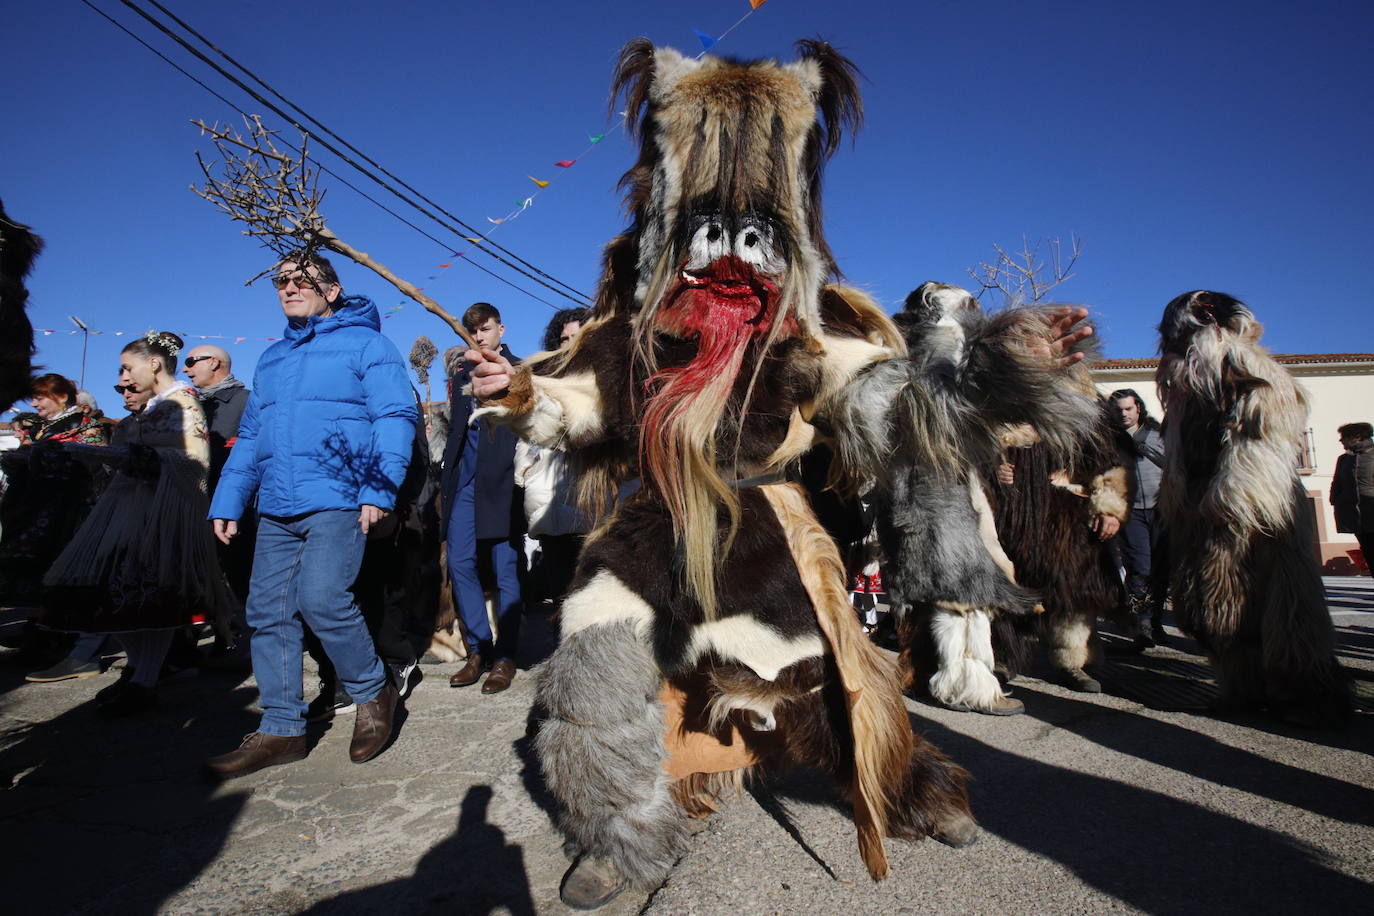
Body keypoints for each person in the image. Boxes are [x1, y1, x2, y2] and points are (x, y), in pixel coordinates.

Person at [204, 250, 417, 779]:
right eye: (280, 281)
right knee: (267, 614)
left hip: (340, 495)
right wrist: (229, 498)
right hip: (277, 504)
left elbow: (394, 416)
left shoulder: (370, 344)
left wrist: (380, 487)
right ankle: (281, 729)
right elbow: (252, 435)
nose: (288, 287)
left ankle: (374, 693)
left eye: (302, 280)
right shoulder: (272, 358)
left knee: (322, 598)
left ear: (332, 289)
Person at [40, 334, 231, 715]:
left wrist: (123, 454)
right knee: (119, 596)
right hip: (129, 511)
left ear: (154, 364)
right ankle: (137, 671)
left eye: (128, 367)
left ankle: (145, 679)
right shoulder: (148, 409)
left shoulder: (183, 401)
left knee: (150, 595)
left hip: (164, 515)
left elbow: (195, 464)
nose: (124, 377)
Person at [25, 379, 152, 683]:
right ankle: (72, 647)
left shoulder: (90, 426)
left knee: (100, 582)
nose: (124, 393)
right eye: (121, 388)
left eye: (131, 387)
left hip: (93, 509)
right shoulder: (120, 426)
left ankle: (90, 654)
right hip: (66, 511)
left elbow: (106, 465)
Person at [442, 303, 524, 694]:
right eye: (472, 330)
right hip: (464, 481)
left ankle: (505, 656)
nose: (478, 336)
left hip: (504, 481)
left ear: (501, 330)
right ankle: (479, 649)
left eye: (485, 329)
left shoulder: (520, 370)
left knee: (505, 568)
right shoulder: (461, 374)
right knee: (459, 562)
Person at [0, 374, 106, 611]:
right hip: (33, 505)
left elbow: (93, 461)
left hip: (67, 507)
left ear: (61, 397)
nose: (35, 405)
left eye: (39, 398)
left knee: (59, 566)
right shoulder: (39, 428)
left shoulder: (85, 424)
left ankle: (58, 632)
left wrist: (38, 458)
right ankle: (37, 624)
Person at [517, 308, 589, 609]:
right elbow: (527, 431)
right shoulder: (542, 380)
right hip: (550, 498)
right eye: (563, 338)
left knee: (591, 592)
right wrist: (526, 468)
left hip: (592, 498)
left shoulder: (605, 378)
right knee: (561, 591)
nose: (569, 343)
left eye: (577, 336)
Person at [1110, 388, 1169, 648]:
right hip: (1130, 512)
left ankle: (1155, 620)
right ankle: (1141, 625)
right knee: (1138, 569)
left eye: (1128, 409)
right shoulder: (1108, 440)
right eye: (1119, 409)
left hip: (1162, 510)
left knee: (1161, 569)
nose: (1123, 414)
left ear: (1138, 409)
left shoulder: (1158, 437)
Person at [1331, 422, 1374, 573]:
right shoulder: (1344, 460)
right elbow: (1337, 484)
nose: (1341, 441)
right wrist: (1335, 501)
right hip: (1355, 516)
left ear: (1357, 437)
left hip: (1371, 511)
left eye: (1344, 437)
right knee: (1368, 550)